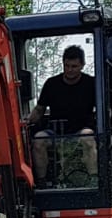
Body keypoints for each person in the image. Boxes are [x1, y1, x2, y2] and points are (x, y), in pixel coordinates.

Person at [23, 44, 98, 184]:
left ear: (82, 65)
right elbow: (39, 110)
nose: (69, 70)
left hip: (82, 130)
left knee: (88, 138)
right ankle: (42, 182)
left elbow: (104, 109)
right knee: (38, 140)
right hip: (56, 133)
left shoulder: (92, 83)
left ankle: (94, 180)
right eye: (67, 65)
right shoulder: (51, 84)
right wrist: (27, 121)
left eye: (74, 66)